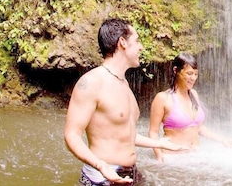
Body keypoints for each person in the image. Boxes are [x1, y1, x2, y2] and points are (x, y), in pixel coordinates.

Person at [64, 18, 188, 185]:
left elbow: (124, 133)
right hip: (102, 178)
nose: (141, 47)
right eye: (136, 41)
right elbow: (71, 135)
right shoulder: (91, 82)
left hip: (130, 173)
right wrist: (100, 165)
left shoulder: (124, 83)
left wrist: (159, 143)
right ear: (122, 42)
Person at [148, 52, 232, 161]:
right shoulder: (163, 98)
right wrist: (159, 156)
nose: (193, 78)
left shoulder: (194, 94)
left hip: (195, 157)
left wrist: (223, 140)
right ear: (176, 71)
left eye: (196, 74)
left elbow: (198, 127)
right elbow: (153, 131)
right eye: (189, 73)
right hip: (172, 158)